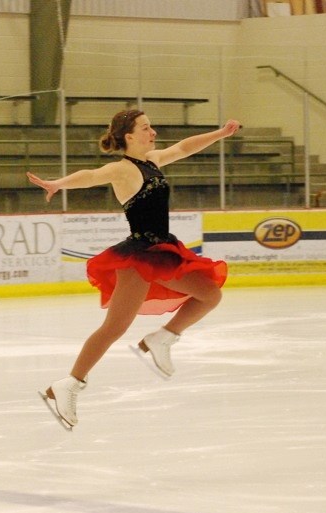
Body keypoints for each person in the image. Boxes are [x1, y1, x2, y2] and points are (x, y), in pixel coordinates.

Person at [27, 110, 241, 429]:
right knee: (114, 328)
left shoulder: (151, 161)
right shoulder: (122, 169)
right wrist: (58, 183)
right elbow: (90, 175)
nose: (152, 131)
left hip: (161, 250)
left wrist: (220, 134)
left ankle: (162, 339)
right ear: (129, 136)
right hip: (140, 255)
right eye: (145, 127)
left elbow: (183, 148)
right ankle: (67, 385)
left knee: (209, 293)